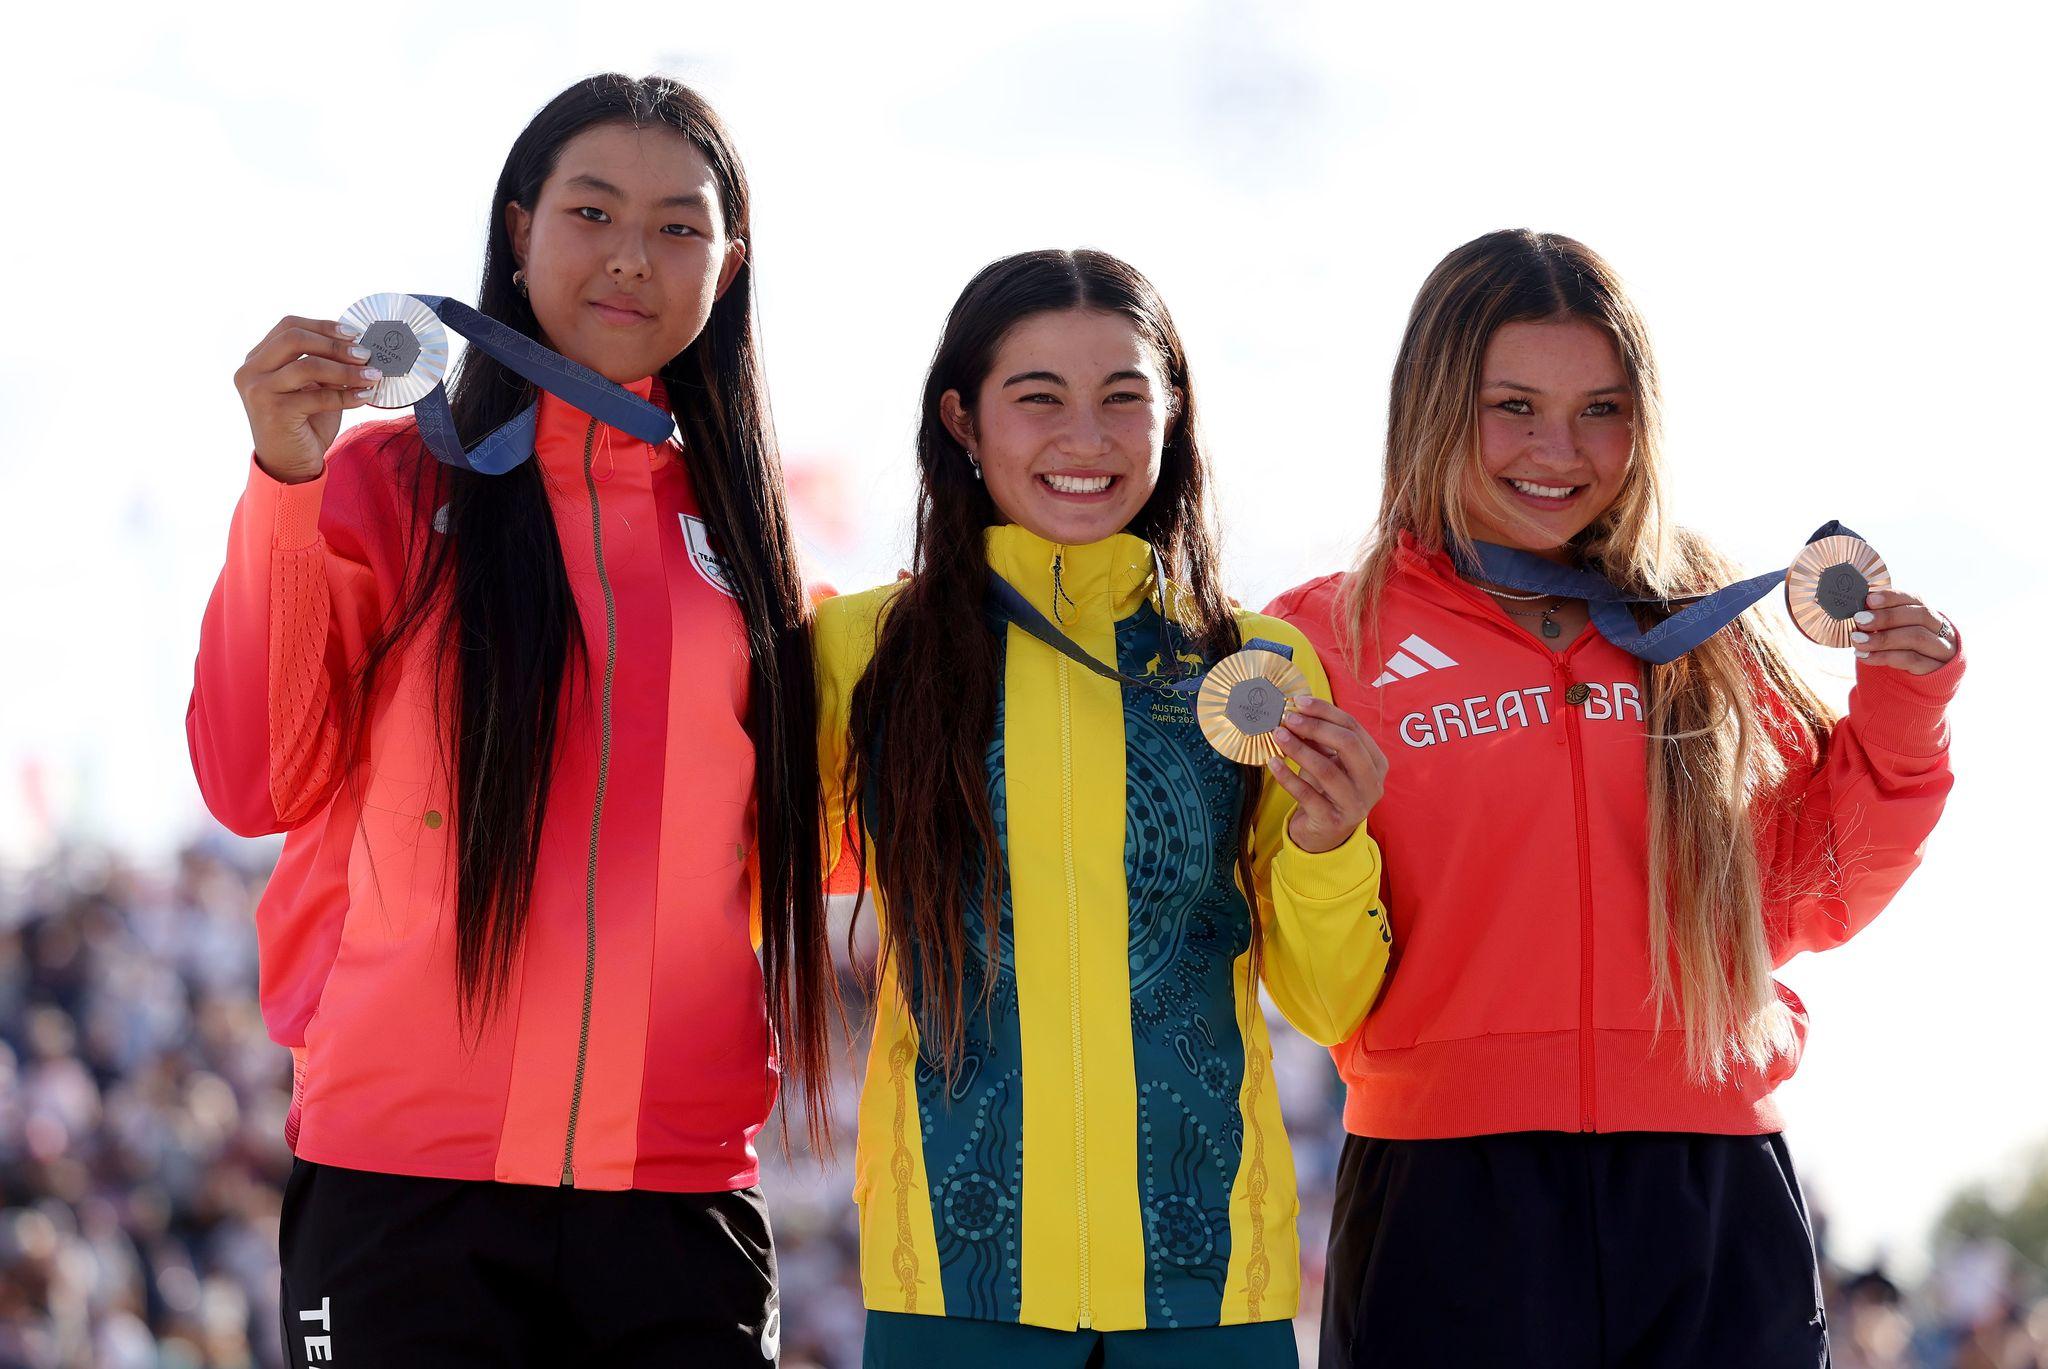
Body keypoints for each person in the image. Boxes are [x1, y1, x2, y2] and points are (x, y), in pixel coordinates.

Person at [187, 73, 831, 1367]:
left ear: (732, 261)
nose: (631, 257)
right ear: (520, 226)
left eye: (678, 226)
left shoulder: (755, 550)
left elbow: (834, 844)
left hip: (676, 1191)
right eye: (592, 211)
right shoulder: (386, 481)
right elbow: (256, 776)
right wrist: (285, 488)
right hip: (402, 1191)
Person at [1267, 228, 1963, 1368]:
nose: (1559, 449)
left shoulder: (1700, 625)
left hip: (1707, 1180)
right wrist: (1317, 843)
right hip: (1446, 1185)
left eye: (1600, 407)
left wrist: (1904, 702)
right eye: (1513, 406)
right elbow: (1309, 970)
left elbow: (1808, 896)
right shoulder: (1324, 637)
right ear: (1434, 405)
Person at [816, 249, 1393, 1367]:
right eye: (1038, 399)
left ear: (1170, 416)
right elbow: (739, 881)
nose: (1085, 440)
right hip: (949, 1278)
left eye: (1123, 398)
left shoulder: (1255, 665)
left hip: (1209, 1282)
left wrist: (1330, 842)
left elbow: (1327, 1006)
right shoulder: (862, 652)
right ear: (961, 420)